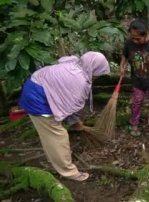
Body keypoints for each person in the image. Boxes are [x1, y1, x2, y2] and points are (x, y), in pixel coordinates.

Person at [19, 51, 110, 181]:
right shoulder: (80, 82)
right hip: (38, 98)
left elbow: (65, 100)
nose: (97, 77)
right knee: (57, 135)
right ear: (92, 69)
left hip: (35, 86)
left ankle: (55, 159)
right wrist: (75, 122)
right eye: (98, 73)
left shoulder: (74, 64)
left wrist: (75, 122)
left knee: (50, 132)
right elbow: (70, 106)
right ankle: (68, 171)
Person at [119, 18, 149, 137]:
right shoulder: (129, 42)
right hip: (137, 81)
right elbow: (125, 56)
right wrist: (122, 66)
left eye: (137, 39)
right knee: (136, 102)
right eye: (133, 38)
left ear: (145, 34)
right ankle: (134, 124)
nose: (134, 41)